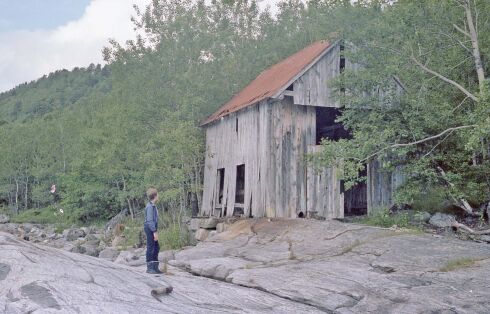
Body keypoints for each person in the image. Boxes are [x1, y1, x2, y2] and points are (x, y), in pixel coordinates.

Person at [144, 187, 162, 274]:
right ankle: (150, 268)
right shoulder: (150, 207)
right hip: (150, 228)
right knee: (151, 247)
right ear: (155, 196)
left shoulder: (153, 206)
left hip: (152, 227)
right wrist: (154, 232)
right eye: (157, 194)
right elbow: (150, 221)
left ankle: (155, 267)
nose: (158, 196)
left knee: (156, 247)